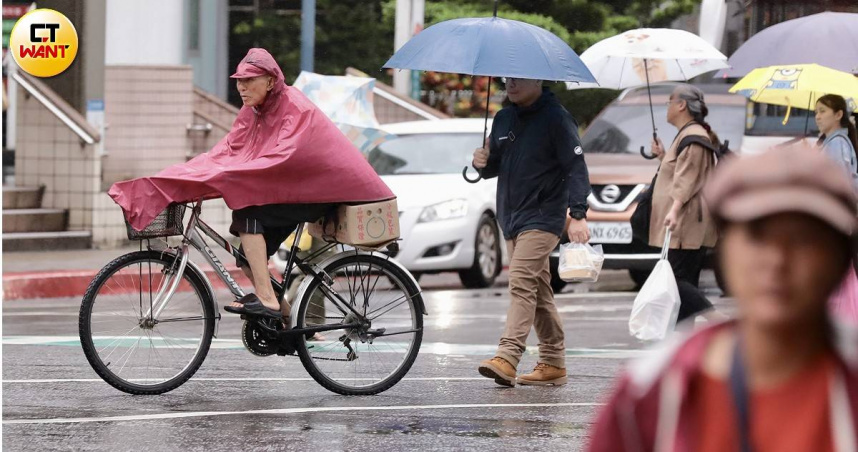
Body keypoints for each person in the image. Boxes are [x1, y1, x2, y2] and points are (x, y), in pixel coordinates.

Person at [588, 146, 858, 451]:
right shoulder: (651, 390)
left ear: (840, 258)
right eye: (758, 235)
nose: (777, 261)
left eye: (804, 239)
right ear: (725, 250)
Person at [109, 48, 394, 321]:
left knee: (248, 216)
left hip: (323, 189)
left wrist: (227, 176)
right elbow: (228, 150)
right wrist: (187, 176)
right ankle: (286, 319)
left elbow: (280, 157)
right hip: (297, 190)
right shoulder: (253, 110)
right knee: (246, 255)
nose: (242, 87)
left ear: (270, 81)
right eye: (239, 81)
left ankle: (268, 300)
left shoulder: (295, 107)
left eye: (249, 80)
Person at [472, 77, 591, 387]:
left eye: (518, 79)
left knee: (521, 281)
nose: (511, 84)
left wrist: (578, 214)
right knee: (538, 291)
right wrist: (482, 163)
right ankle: (553, 362)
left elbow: (576, 166)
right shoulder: (503, 118)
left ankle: (507, 356)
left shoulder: (556, 118)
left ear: (537, 80)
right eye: (507, 79)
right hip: (511, 216)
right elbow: (495, 164)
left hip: (543, 216)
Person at [649, 84, 725, 327]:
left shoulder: (694, 137)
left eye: (669, 102)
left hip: (686, 221)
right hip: (686, 220)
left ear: (681, 105)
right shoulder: (687, 135)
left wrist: (673, 210)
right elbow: (682, 170)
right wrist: (663, 156)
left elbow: (688, 179)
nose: (667, 108)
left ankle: (718, 321)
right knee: (685, 282)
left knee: (675, 280)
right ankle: (683, 336)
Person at [816, 94, 858, 191]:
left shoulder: (837, 143)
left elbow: (838, 184)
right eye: (816, 112)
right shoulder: (834, 142)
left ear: (838, 115)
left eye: (822, 111)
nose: (817, 117)